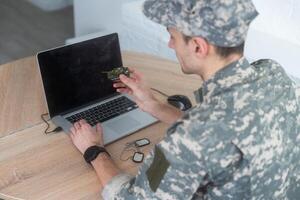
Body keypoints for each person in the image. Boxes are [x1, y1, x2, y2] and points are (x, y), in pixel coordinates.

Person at [69, 0, 300, 199]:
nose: (170, 45)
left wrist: (93, 151)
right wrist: (154, 105)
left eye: (172, 36)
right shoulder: (273, 72)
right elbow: (225, 128)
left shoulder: (189, 138)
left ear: (198, 46)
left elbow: (133, 198)